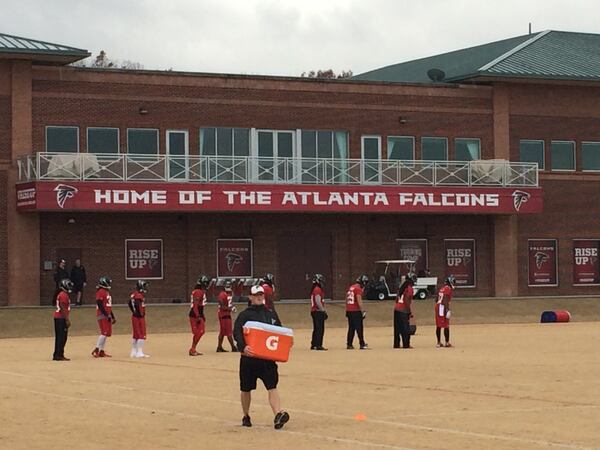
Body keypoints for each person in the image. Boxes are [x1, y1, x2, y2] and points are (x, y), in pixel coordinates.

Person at [233, 285, 290, 430]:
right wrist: (243, 347)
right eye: (256, 295)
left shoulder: (271, 314)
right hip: (249, 359)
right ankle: (246, 415)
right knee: (246, 389)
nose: (259, 297)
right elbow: (237, 333)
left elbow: (279, 332)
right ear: (250, 297)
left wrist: (286, 343)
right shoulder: (244, 315)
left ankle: (278, 414)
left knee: (272, 386)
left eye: (261, 295)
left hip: (267, 359)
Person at [92, 276, 116, 358]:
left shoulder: (106, 292)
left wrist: (112, 316)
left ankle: (101, 350)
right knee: (104, 333)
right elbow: (99, 303)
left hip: (107, 314)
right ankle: (97, 349)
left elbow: (108, 306)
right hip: (103, 315)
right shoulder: (101, 291)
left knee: (106, 334)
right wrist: (106, 314)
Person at [346, 275, 369, 350]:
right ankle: (362, 343)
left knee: (351, 328)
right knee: (359, 328)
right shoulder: (358, 289)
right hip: (355, 311)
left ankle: (349, 344)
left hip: (349, 310)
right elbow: (359, 301)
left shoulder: (351, 287)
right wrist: (363, 311)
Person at [188, 275, 209, 356]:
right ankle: (192, 349)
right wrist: (198, 316)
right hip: (195, 314)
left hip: (198, 313)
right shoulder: (198, 292)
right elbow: (195, 305)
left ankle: (193, 349)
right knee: (199, 332)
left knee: (200, 332)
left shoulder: (199, 291)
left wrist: (202, 315)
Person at [53, 279, 73, 361]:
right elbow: (62, 307)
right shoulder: (63, 295)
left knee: (59, 337)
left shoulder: (62, 294)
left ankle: (57, 354)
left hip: (58, 318)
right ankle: (59, 354)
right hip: (61, 318)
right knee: (62, 337)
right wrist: (67, 319)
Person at [394, 273, 415, 349]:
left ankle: (396, 344)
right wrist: (409, 311)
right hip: (403, 310)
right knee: (405, 328)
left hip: (397, 309)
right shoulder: (409, 288)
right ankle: (406, 344)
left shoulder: (402, 287)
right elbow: (407, 300)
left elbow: (397, 298)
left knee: (397, 328)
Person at [129, 280, 149, 358]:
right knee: (141, 334)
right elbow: (137, 304)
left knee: (136, 335)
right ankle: (139, 352)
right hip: (139, 318)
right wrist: (139, 313)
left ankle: (134, 351)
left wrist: (133, 311)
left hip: (134, 316)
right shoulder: (138, 295)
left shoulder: (133, 294)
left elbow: (129, 303)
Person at [216, 281, 238, 352]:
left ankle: (219, 347)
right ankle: (233, 347)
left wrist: (231, 307)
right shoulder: (222, 294)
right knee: (229, 332)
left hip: (226, 314)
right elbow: (222, 306)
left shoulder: (228, 294)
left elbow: (228, 304)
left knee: (222, 332)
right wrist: (230, 308)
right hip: (224, 315)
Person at [436, 275, 456, 348]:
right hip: (443, 306)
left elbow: (436, 299)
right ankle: (447, 342)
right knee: (446, 325)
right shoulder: (448, 289)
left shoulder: (442, 288)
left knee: (439, 325)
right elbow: (445, 299)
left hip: (438, 306)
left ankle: (438, 342)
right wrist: (447, 309)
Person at [310, 274, 327, 351]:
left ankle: (314, 344)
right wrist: (323, 311)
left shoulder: (315, 289)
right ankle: (318, 344)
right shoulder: (317, 289)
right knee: (320, 329)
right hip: (317, 311)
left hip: (314, 311)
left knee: (316, 328)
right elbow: (318, 301)